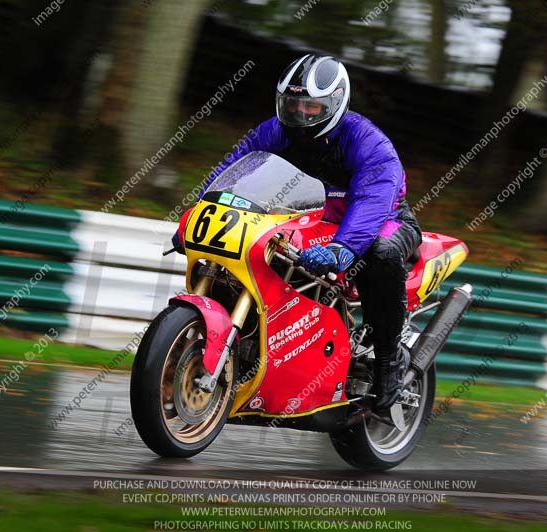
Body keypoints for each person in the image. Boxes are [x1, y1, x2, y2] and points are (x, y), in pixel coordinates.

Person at [173, 54, 421, 415]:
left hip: (384, 220)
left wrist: (343, 248)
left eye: (312, 106)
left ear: (335, 104)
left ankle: (388, 361)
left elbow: (371, 201)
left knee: (381, 252)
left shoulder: (370, 144)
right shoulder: (273, 131)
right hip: (312, 218)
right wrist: (197, 214)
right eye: (293, 104)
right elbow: (232, 171)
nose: (301, 114)